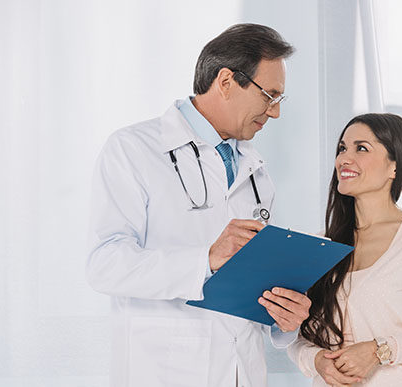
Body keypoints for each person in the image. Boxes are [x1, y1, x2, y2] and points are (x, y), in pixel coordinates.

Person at [87, 24, 311, 387]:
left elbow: (246, 284)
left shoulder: (256, 172)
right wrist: (205, 258)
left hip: (244, 371)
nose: (274, 113)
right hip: (166, 369)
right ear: (225, 81)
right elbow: (104, 264)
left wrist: (285, 316)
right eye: (269, 96)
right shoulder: (133, 149)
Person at [287, 113, 402, 386]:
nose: (344, 158)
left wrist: (379, 350)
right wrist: (317, 361)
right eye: (342, 148)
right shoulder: (320, 244)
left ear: (394, 166)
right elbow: (298, 339)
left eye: (361, 148)